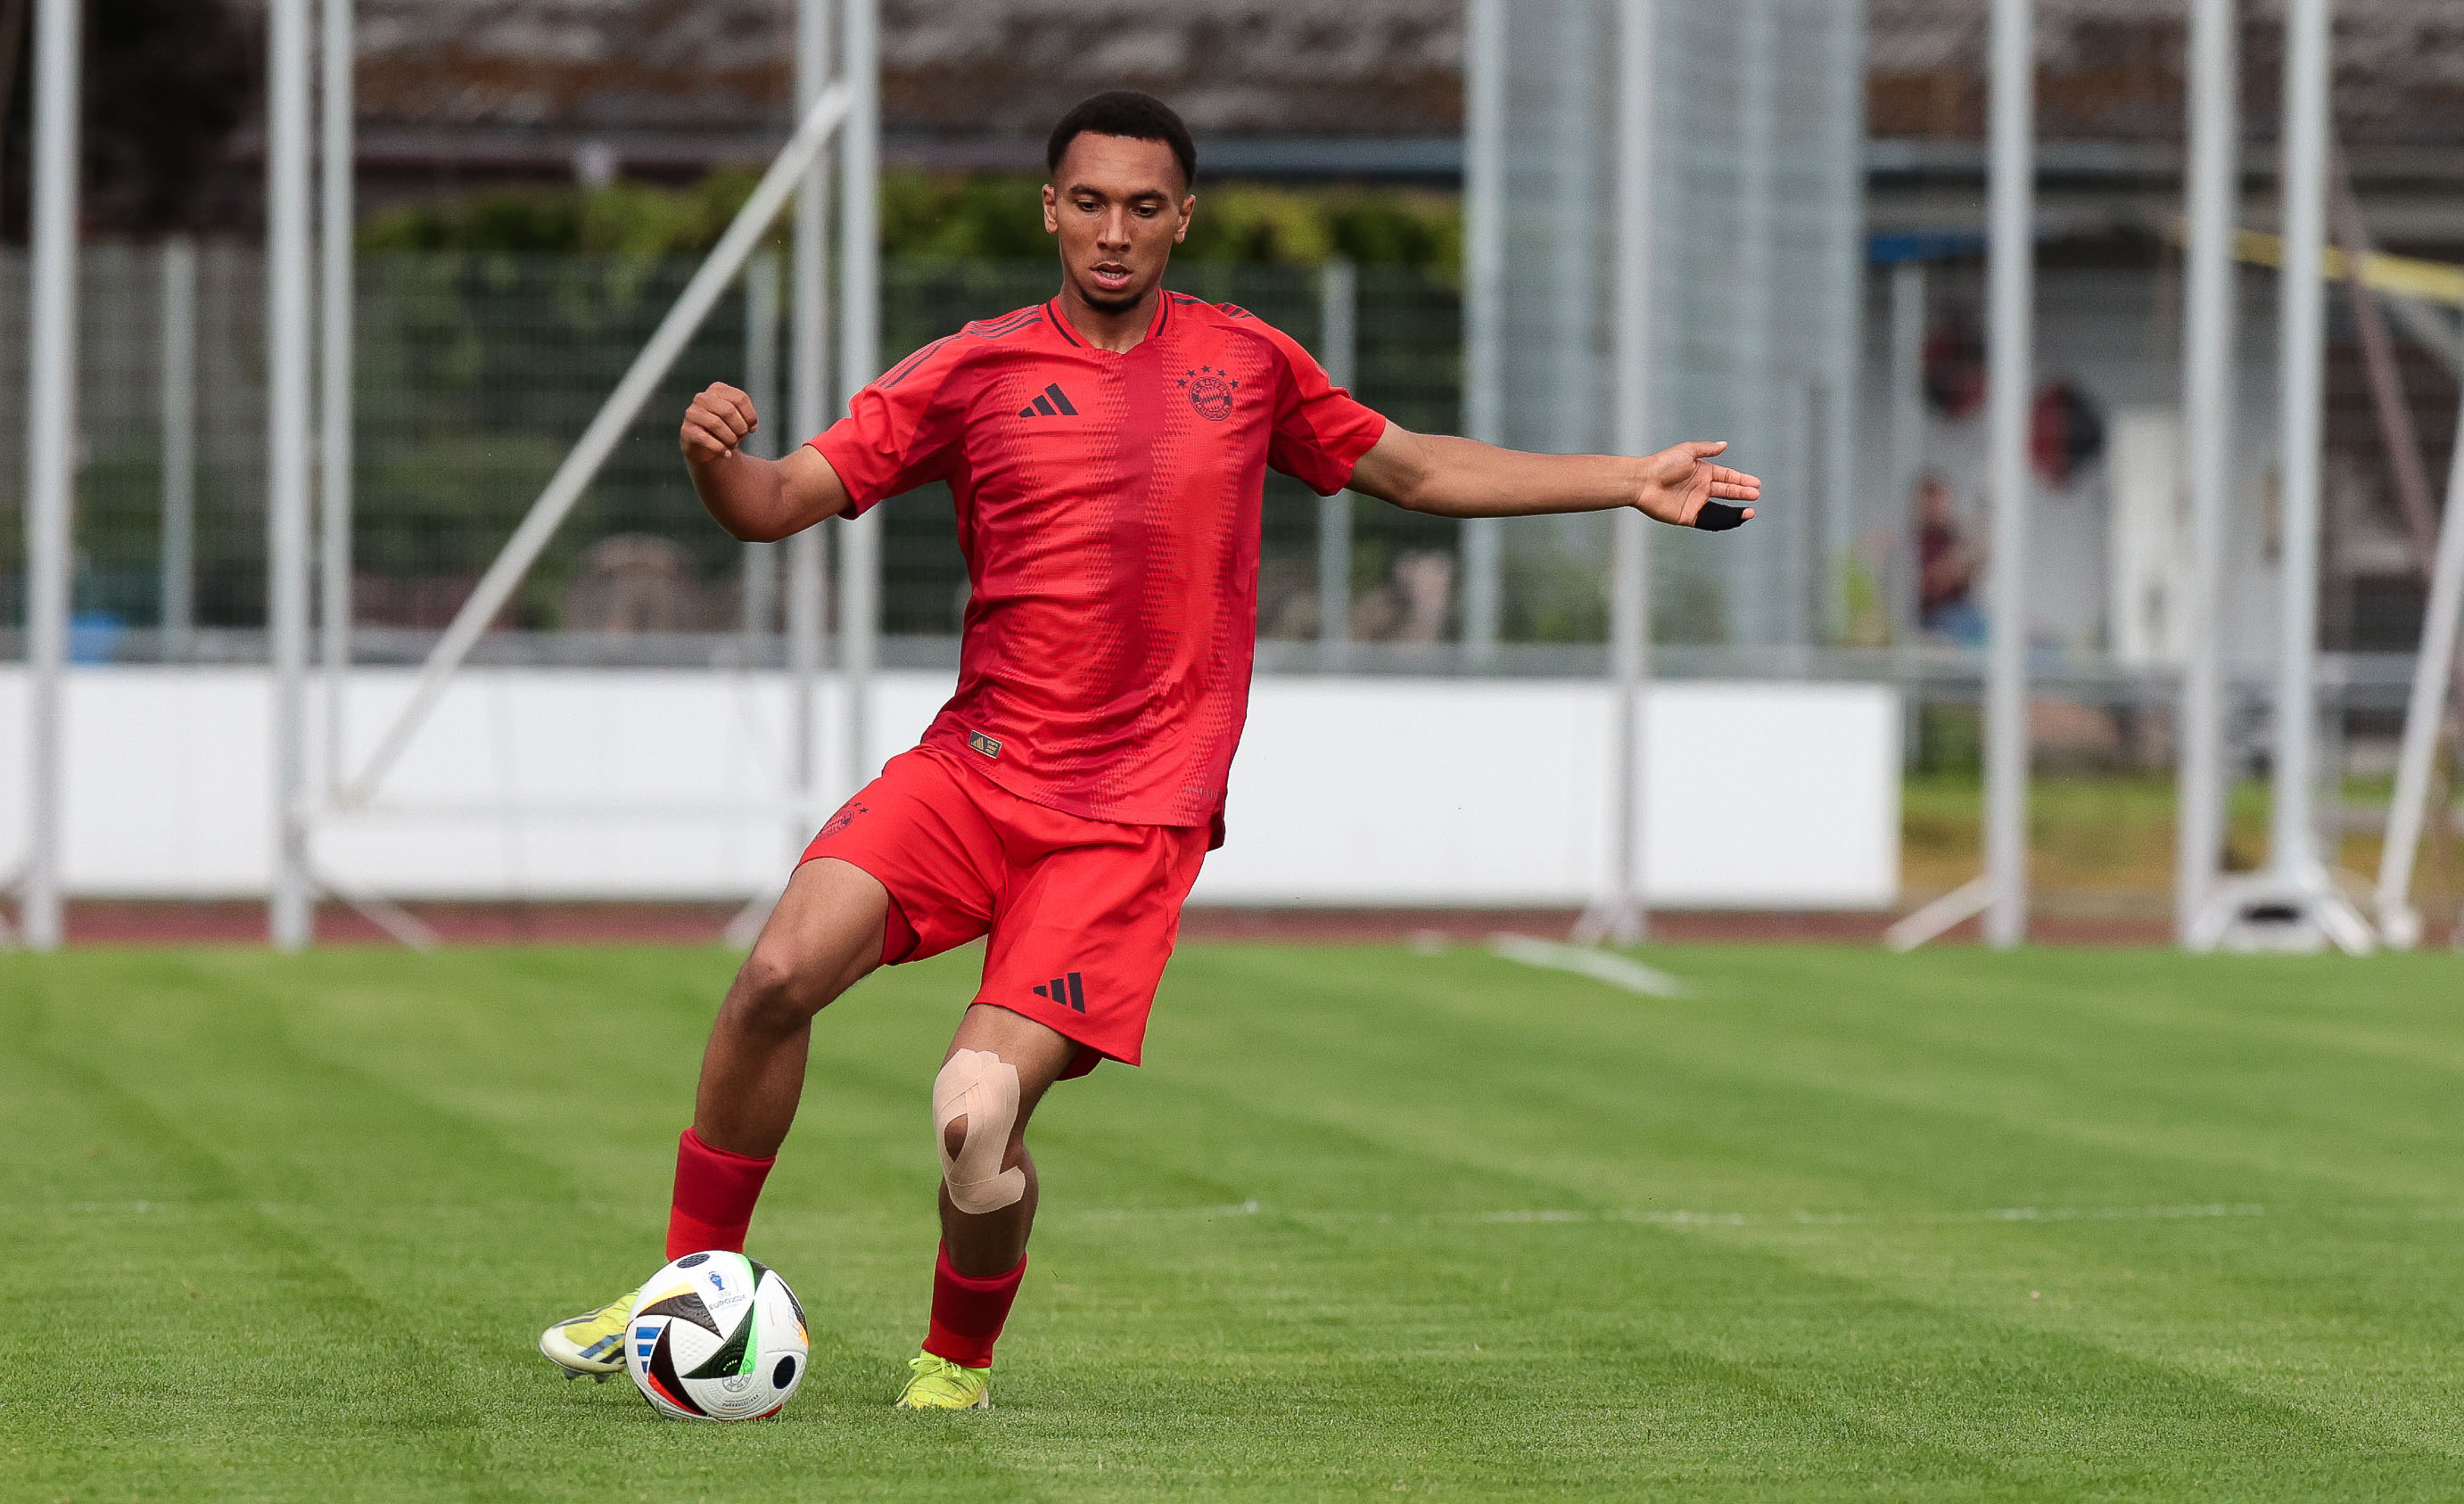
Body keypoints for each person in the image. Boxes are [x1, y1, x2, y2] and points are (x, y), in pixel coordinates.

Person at [535, 90, 1759, 1411]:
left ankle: (953, 1367)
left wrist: (1627, 476)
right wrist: (720, 460)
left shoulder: (1249, 364)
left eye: (1142, 206)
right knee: (775, 969)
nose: (1112, 231)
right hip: (972, 770)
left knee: (974, 1111)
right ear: (1049, 208)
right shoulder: (970, 369)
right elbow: (777, 503)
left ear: (1183, 218)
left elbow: (1414, 471)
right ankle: (681, 1289)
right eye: (1089, 201)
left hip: (1130, 819)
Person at [1914, 472, 1985, 642]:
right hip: (1935, 620)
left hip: (1964, 611)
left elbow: (1971, 573)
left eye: (1943, 501)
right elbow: (1929, 584)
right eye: (1934, 502)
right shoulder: (1915, 542)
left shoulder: (1952, 535)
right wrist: (1955, 565)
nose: (1940, 507)